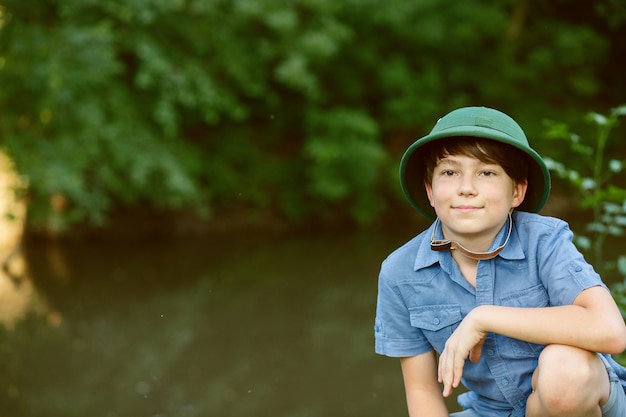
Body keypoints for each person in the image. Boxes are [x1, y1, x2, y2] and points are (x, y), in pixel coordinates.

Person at [374, 106, 626, 417]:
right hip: (491, 411)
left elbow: (610, 331)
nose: (466, 188)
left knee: (565, 371)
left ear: (517, 191)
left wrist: (484, 317)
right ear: (430, 190)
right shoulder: (399, 272)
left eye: (487, 172)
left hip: (585, 397)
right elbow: (422, 389)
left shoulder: (543, 241)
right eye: (449, 172)